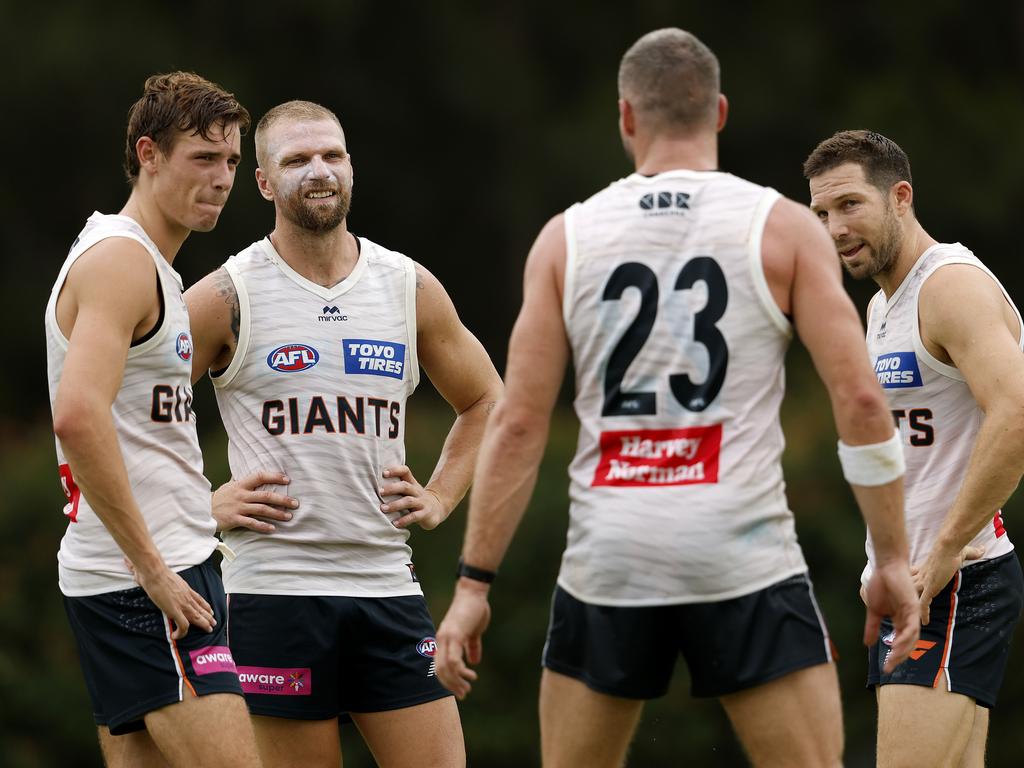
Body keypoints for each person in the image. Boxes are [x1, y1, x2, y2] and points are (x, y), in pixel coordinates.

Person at [435, 28, 920, 768]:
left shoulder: (566, 238)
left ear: (626, 118)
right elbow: (858, 400)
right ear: (720, 112)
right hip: (744, 556)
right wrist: (890, 558)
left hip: (611, 559)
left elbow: (520, 423)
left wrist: (473, 585)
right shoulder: (785, 227)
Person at [184, 100, 503, 768]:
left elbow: (486, 400)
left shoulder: (406, 285)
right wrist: (196, 509)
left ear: (351, 168)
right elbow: (123, 411)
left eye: (331, 155)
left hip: (388, 586)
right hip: (273, 594)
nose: (318, 171)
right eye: (297, 160)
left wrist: (442, 495)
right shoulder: (226, 294)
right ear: (266, 183)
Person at [45, 72, 265, 767]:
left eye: (232, 160)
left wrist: (199, 510)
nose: (223, 177)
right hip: (147, 580)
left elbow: (132, 432)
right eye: (204, 158)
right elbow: (77, 417)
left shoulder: (153, 270)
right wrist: (155, 572)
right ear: (148, 155)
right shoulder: (122, 262)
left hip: (149, 566)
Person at [805, 130, 1024, 768]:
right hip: (917, 587)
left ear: (900, 197)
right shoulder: (883, 307)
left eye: (849, 205)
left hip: (957, 584)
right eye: (821, 214)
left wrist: (944, 555)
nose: (835, 229)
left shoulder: (948, 287)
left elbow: (1015, 415)